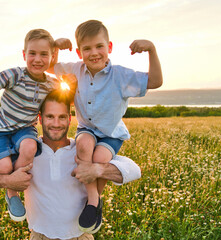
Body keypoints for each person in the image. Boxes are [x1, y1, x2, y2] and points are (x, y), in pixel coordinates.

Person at [0, 90, 142, 240]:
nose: (56, 123)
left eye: (62, 117)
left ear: (70, 119)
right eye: (50, 117)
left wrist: (96, 169)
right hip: (39, 236)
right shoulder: (27, 150)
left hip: (80, 236)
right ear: (40, 118)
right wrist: (8, 182)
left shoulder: (83, 152)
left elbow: (134, 170)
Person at [47, 19, 163, 233]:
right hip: (87, 129)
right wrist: (55, 46)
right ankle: (93, 200)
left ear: (109, 47)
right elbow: (48, 65)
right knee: (83, 147)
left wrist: (152, 50)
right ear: (80, 53)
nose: (94, 53)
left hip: (111, 133)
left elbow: (155, 81)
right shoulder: (76, 69)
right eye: (87, 48)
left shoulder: (120, 75)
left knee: (99, 160)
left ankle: (94, 201)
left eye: (99, 46)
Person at [0, 29, 64, 222]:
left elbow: (73, 93)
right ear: (24, 54)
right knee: (4, 168)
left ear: (52, 57)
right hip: (0, 131)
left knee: (30, 146)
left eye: (44, 54)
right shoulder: (15, 75)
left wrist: (60, 50)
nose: (38, 59)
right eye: (32, 53)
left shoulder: (52, 84)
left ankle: (15, 190)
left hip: (25, 129)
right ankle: (11, 193)